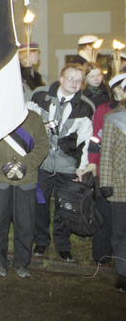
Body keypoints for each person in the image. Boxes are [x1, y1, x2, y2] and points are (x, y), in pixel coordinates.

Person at [28, 63, 94, 262]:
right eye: (71, 78)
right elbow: (26, 122)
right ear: (61, 78)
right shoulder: (40, 96)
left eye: (79, 80)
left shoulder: (86, 107)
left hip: (67, 166)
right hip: (42, 163)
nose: (74, 83)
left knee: (64, 207)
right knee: (40, 204)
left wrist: (81, 168)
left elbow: (85, 141)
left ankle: (63, 245)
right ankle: (41, 241)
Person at [0, 111, 49, 278]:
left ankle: (22, 263)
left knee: (26, 225)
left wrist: (25, 165)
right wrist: (2, 166)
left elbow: (42, 146)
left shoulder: (34, 118)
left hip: (26, 179)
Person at [99, 89, 126, 292]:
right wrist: (105, 182)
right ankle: (123, 272)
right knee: (121, 233)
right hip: (120, 184)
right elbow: (106, 151)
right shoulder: (114, 118)